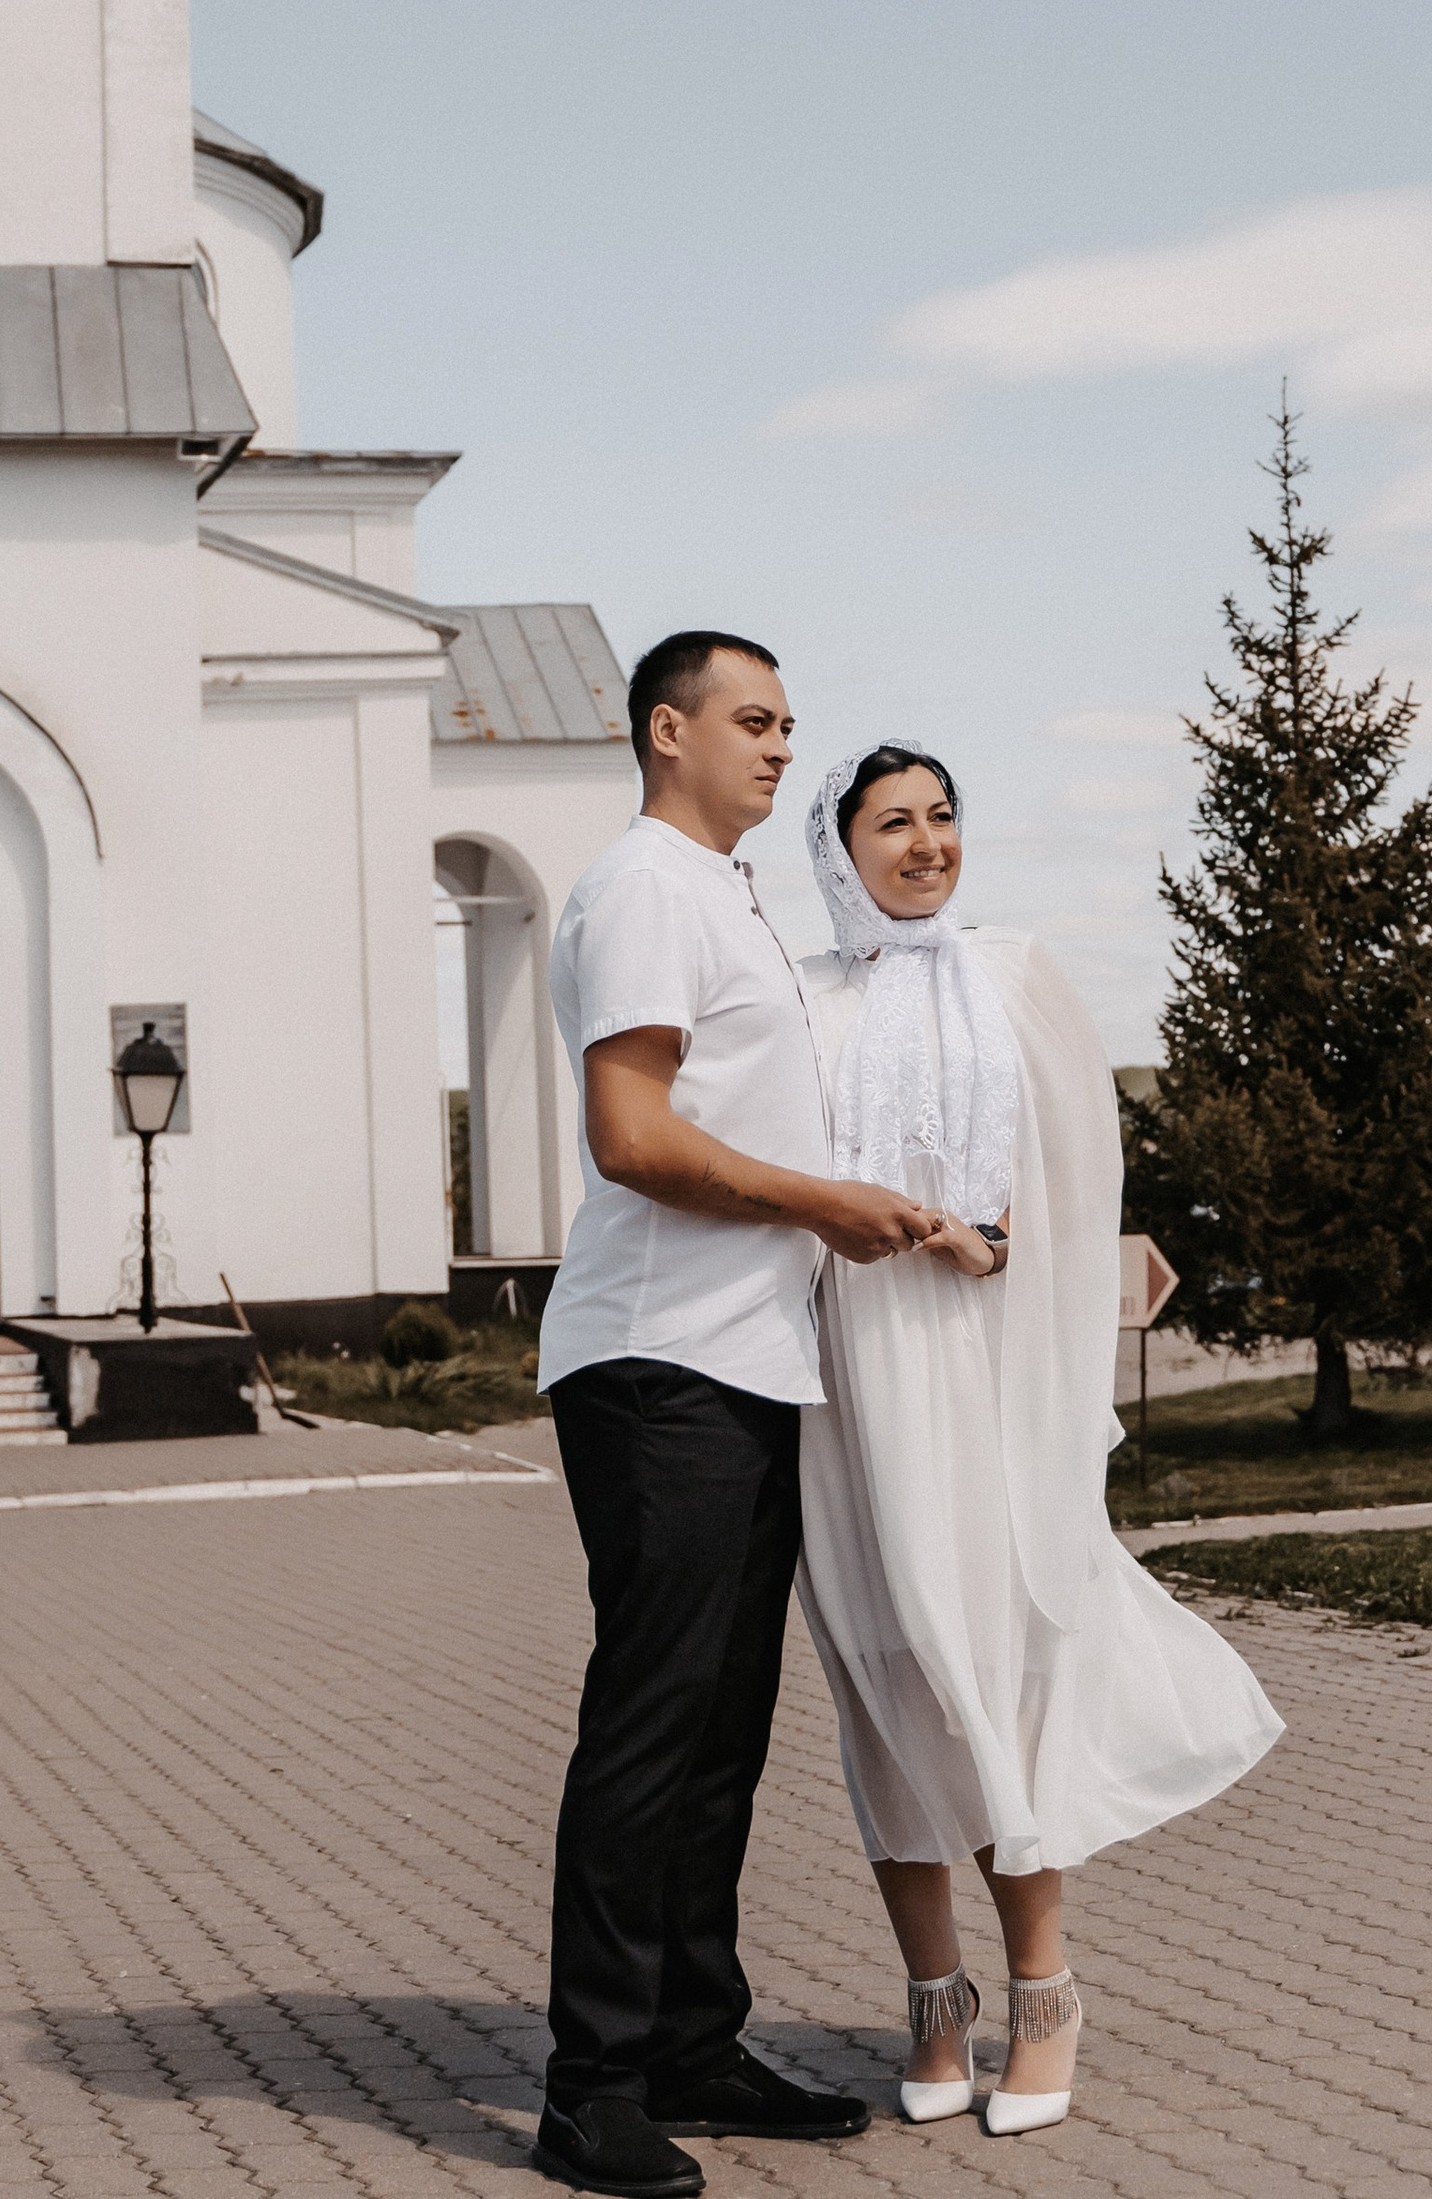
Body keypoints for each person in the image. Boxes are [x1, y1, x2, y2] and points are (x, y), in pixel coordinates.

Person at [791, 742, 1283, 2137]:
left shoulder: (1013, 977)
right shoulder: (804, 999)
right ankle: (933, 1999)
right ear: (841, 850)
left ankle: (1044, 1993)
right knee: (884, 1687)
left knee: (998, 1678)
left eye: (943, 816)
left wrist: (989, 1243)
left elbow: (1078, 1185)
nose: (928, 842)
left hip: (984, 1372)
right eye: (893, 822)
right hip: (853, 1382)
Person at [533, 633, 942, 2198]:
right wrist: (823, 1204)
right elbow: (631, 1137)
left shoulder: (726, 895)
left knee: (720, 1736)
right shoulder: (641, 882)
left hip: (749, 1365)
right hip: (657, 1366)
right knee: (651, 1729)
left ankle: (692, 2043)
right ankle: (591, 2086)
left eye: (789, 725)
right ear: (666, 730)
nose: (781, 748)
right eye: (753, 721)